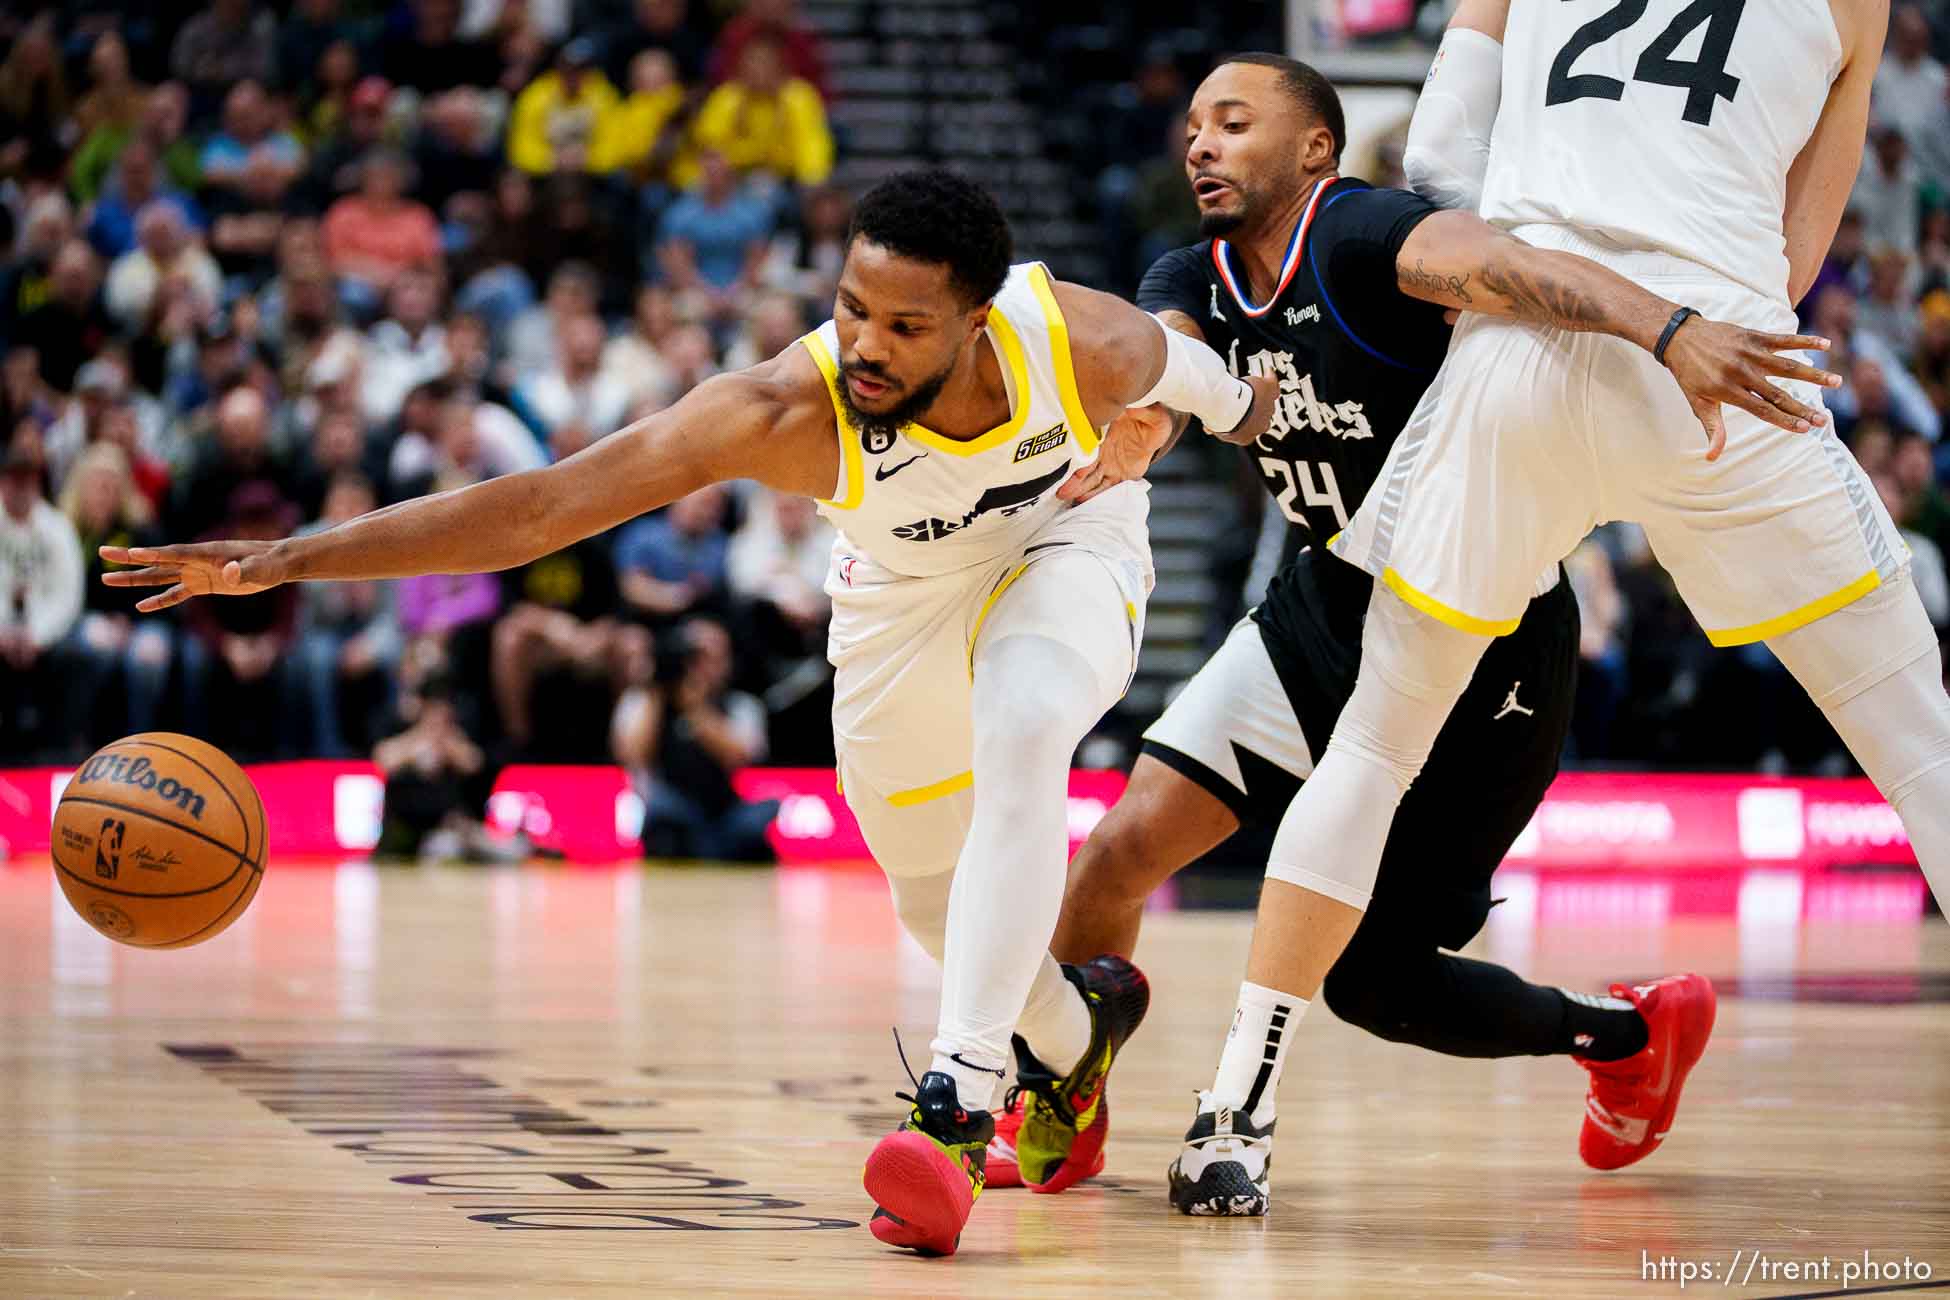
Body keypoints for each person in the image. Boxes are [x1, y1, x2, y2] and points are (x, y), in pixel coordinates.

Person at [103, 167, 1294, 1261]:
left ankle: (954, 1109)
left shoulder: (1081, 339)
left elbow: (1230, 391)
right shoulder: (786, 408)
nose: (865, 344)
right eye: (852, 307)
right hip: (896, 612)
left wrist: (1184, 416)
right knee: (936, 893)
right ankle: (1075, 1039)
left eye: (905, 325)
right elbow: (542, 509)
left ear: (979, 319)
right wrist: (289, 560)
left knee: (1031, 719)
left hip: (1066, 547)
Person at [1019, 49, 1826, 1211]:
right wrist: (1144, 422)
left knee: (1376, 982)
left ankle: (1624, 1033)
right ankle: (1063, 1089)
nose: (1198, 142)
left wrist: (1672, 330)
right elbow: (1170, 352)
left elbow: (1516, 267)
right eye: (1192, 123)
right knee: (1115, 851)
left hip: (1487, 627)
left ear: (1314, 150)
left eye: (1232, 122)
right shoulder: (1185, 268)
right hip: (1326, 602)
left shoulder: (1365, 234)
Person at [1211, 0, 1950, 1220]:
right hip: (1723, 348)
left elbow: (1443, 146)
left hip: (1526, 348)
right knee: (1921, 748)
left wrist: (1484, 292)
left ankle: (1234, 1116)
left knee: (1376, 747)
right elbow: (1800, 246)